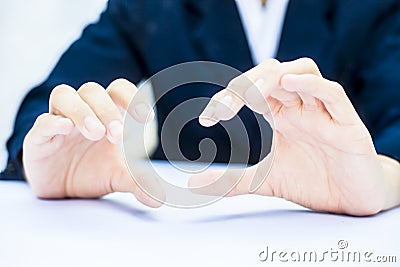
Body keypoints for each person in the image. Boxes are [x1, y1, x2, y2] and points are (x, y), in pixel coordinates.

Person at [1, 0, 400, 215]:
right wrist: (51, 156)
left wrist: (381, 180)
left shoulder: (371, 8)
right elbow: (52, 99)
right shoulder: (151, 8)